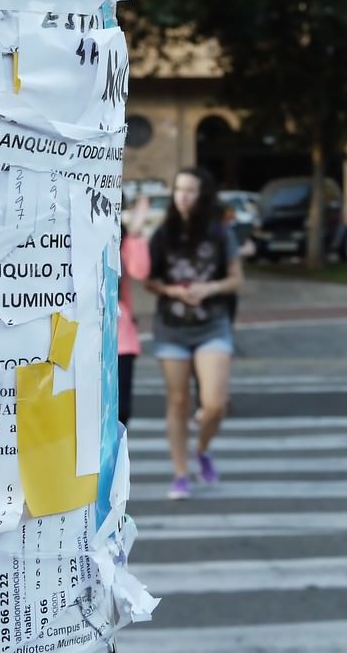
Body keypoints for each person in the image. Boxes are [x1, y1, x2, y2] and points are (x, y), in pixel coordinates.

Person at [143, 166, 247, 500]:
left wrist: (208, 288)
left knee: (214, 403)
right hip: (172, 328)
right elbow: (150, 280)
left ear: (202, 195)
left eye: (190, 190)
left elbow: (236, 279)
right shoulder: (163, 234)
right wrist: (173, 292)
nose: (183, 196)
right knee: (178, 402)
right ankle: (180, 473)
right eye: (178, 190)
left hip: (212, 324)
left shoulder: (219, 232)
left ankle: (202, 448)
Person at [116, 195, 153, 428]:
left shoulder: (122, 240)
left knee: (121, 412)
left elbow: (140, 271)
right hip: (77, 336)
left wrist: (136, 233)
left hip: (120, 338)